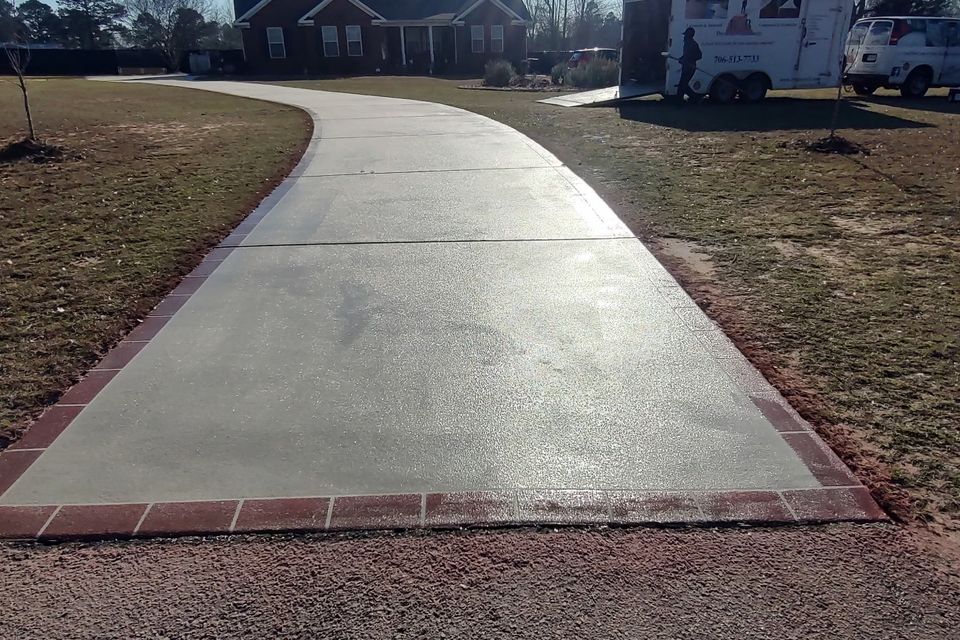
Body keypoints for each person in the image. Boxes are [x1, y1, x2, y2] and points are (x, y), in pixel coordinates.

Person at [677, 27, 702, 102]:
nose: (684, 37)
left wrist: (688, 60)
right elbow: (686, 55)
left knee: (682, 85)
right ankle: (695, 98)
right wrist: (682, 58)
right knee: (684, 85)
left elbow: (699, 56)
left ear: (689, 36)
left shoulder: (693, 44)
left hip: (690, 68)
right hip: (686, 67)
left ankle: (679, 102)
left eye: (685, 35)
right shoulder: (687, 43)